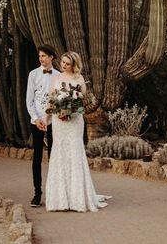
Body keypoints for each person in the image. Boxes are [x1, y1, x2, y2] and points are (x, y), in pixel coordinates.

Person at [45, 51, 112, 212]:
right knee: (60, 152)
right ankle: (60, 199)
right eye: (62, 62)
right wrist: (50, 116)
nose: (63, 65)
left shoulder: (79, 79)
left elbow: (81, 101)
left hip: (75, 121)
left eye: (67, 63)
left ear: (74, 65)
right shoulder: (55, 78)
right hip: (58, 122)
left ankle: (77, 197)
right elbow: (50, 99)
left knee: (74, 151)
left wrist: (71, 111)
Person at [26, 44, 59, 207]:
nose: (41, 59)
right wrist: (36, 118)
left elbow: (58, 101)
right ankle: (37, 193)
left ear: (51, 57)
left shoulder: (59, 76)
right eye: (40, 56)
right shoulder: (33, 75)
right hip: (37, 121)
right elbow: (29, 100)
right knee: (37, 157)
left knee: (54, 156)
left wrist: (49, 118)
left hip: (54, 121)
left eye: (44, 56)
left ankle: (54, 192)